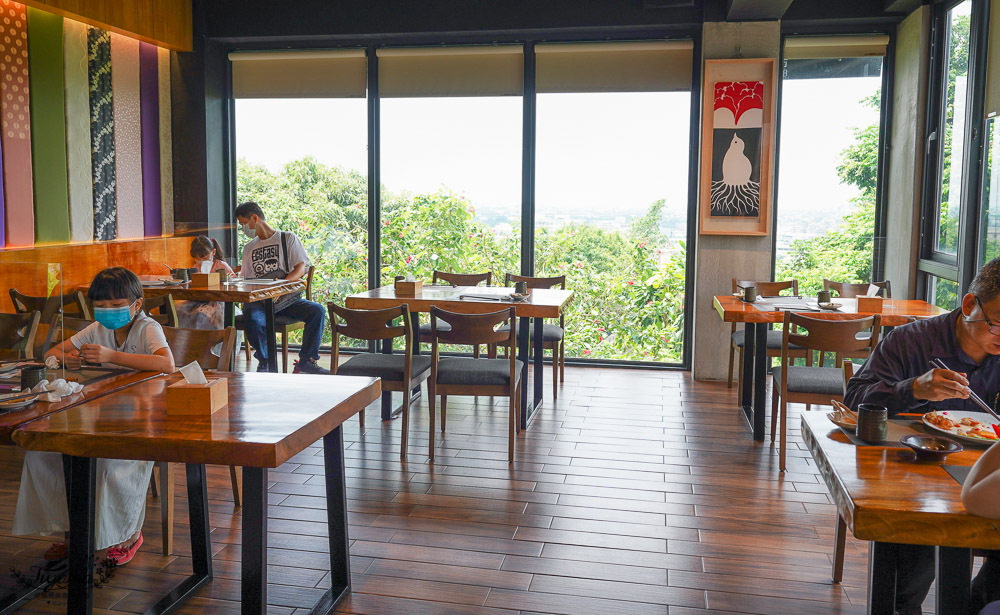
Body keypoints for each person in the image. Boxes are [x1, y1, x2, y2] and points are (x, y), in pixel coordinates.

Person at [846, 258, 1000, 615]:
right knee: (912, 562)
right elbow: (855, 399)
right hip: (914, 474)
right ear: (968, 305)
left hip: (987, 476)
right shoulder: (911, 341)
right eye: (996, 325)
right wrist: (912, 388)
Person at [13, 267, 175, 566]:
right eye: (101, 306)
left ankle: (127, 535)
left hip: (141, 421)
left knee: (106, 463)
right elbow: (54, 350)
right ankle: (72, 533)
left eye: (116, 306)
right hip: (101, 414)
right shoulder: (96, 329)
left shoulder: (146, 327)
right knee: (44, 455)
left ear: (136, 305)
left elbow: (166, 363)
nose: (107, 311)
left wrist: (111, 356)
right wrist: (68, 356)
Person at [234, 201, 329, 374]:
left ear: (255, 218)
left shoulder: (287, 238)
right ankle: (266, 360)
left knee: (317, 311)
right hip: (258, 300)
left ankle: (306, 361)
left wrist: (280, 287)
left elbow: (300, 268)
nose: (243, 229)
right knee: (253, 319)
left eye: (243, 223)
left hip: (286, 300)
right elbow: (246, 278)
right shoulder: (249, 248)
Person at [176, 235, 235, 330]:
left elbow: (233, 282)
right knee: (178, 311)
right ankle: (186, 340)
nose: (201, 261)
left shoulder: (221, 266)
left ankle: (211, 341)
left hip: (218, 301)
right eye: (198, 259)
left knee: (201, 315)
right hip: (198, 300)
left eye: (205, 257)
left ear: (213, 252)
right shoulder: (196, 267)